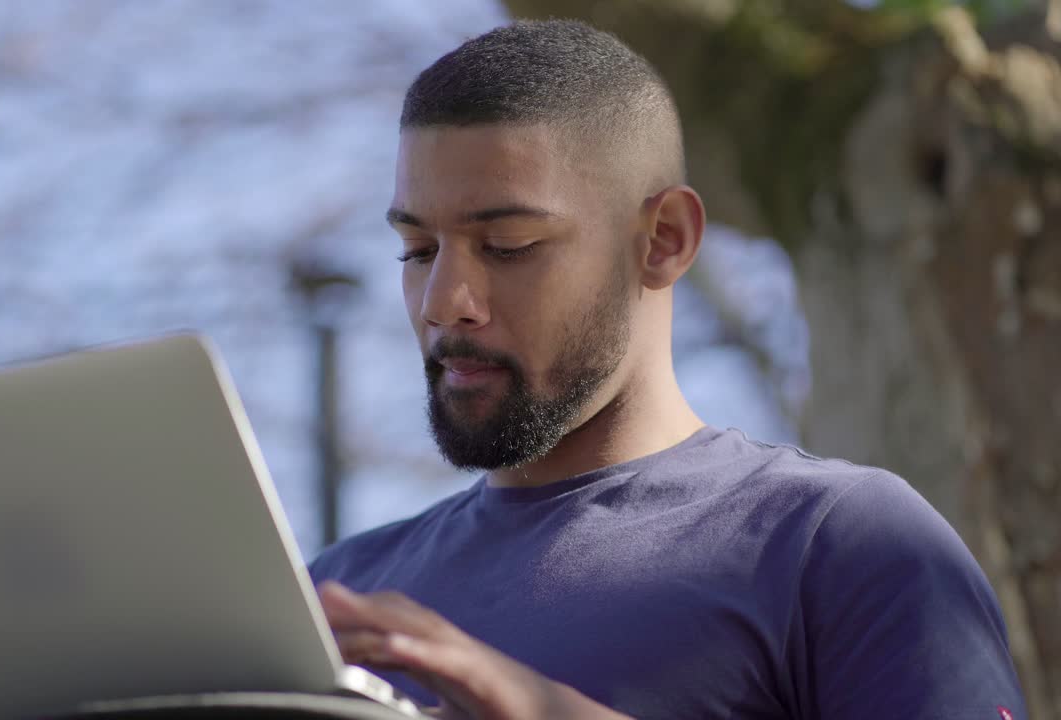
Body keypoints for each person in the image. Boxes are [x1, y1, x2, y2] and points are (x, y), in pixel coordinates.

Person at [308, 19, 1027, 720]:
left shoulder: (843, 544)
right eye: (418, 251)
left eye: (507, 245)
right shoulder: (333, 599)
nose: (443, 303)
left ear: (664, 240)